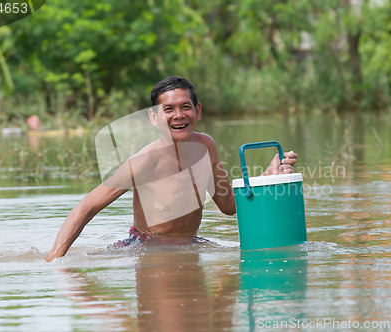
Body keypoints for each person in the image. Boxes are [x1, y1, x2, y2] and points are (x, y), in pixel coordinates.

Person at [45, 76, 298, 262]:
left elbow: (229, 205)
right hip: (146, 247)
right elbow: (86, 207)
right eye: (168, 109)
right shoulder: (145, 161)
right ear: (154, 118)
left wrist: (265, 178)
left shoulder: (206, 145)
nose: (178, 115)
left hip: (190, 244)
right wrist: (54, 261)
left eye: (185, 107)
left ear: (197, 111)